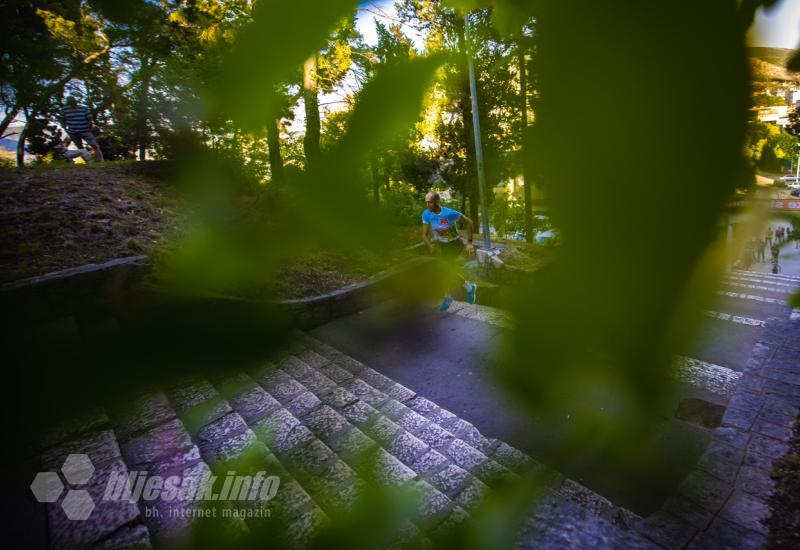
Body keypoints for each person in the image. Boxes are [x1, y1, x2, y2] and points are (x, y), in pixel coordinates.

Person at [421, 191, 477, 312]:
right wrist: (430, 245)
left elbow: (470, 222)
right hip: (442, 246)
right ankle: (469, 288)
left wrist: (470, 243)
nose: (427, 205)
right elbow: (424, 235)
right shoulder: (426, 214)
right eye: (426, 202)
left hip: (455, 245)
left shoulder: (449, 213)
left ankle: (448, 297)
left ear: (437, 202)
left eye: (429, 202)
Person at [60, 96, 104, 162]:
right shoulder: (64, 110)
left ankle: (101, 160)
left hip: (85, 131)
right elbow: (62, 119)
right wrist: (64, 127)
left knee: (94, 144)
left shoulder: (84, 108)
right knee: (80, 148)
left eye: (73, 102)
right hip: (73, 132)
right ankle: (88, 161)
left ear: (75, 102)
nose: (72, 104)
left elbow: (89, 119)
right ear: (68, 103)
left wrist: (90, 129)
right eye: (70, 103)